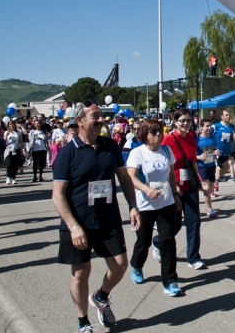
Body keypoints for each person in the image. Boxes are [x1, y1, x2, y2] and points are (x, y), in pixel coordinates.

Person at [51, 100, 141, 332]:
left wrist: (133, 206)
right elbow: (58, 195)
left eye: (102, 116)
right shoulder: (67, 154)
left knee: (120, 265)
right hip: (78, 223)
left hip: (107, 219)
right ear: (80, 121)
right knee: (81, 272)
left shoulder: (110, 146)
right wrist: (73, 227)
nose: (101, 120)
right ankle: (83, 323)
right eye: (96, 117)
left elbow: (124, 178)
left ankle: (101, 297)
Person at [127, 119, 184, 296]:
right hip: (145, 205)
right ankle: (137, 266)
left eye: (159, 131)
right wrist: (146, 189)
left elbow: (171, 175)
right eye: (153, 132)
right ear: (145, 134)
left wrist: (175, 195)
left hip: (165, 203)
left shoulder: (166, 151)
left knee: (168, 241)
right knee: (143, 242)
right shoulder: (138, 153)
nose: (158, 134)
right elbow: (131, 178)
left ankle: (169, 281)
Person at [161, 109, 206, 270]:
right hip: (174, 188)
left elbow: (193, 162)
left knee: (193, 222)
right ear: (175, 122)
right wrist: (174, 187)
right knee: (175, 225)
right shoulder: (167, 140)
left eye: (187, 120)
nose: (185, 123)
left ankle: (193, 257)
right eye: (181, 120)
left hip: (190, 186)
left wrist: (199, 181)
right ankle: (158, 242)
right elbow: (163, 167)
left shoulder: (192, 138)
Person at [196, 118, 219, 218]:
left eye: (210, 126)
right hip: (202, 166)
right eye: (207, 126)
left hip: (211, 165)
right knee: (206, 188)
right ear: (201, 127)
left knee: (210, 189)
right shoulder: (197, 140)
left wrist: (217, 151)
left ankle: (197, 187)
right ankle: (210, 210)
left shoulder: (213, 138)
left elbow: (216, 148)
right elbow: (191, 155)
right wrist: (199, 157)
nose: (209, 128)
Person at [213, 109, 235, 183]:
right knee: (218, 167)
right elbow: (209, 137)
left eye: (229, 115)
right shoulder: (216, 126)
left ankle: (215, 181)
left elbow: (234, 141)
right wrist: (213, 148)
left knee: (226, 167)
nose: (228, 117)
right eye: (226, 115)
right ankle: (214, 182)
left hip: (227, 151)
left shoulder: (232, 127)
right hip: (217, 151)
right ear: (222, 117)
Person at [3, 120, 25, 185]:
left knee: (15, 165)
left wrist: (23, 150)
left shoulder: (19, 132)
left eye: (12, 124)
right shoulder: (6, 132)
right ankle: (8, 177)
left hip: (16, 149)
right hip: (9, 150)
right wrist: (6, 136)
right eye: (10, 124)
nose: (11, 125)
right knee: (9, 164)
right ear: (8, 125)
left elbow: (21, 142)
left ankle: (13, 178)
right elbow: (5, 142)